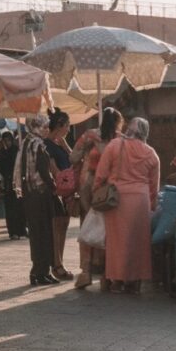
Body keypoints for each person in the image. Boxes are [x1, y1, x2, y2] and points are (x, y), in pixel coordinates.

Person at [93, 116, 162, 292]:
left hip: (117, 198)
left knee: (117, 241)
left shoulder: (115, 146)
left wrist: (96, 190)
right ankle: (135, 281)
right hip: (140, 200)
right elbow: (154, 186)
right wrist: (152, 206)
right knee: (138, 242)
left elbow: (101, 173)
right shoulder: (151, 154)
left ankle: (117, 280)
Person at [74, 105, 122, 290]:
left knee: (88, 227)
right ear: (118, 123)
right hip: (110, 189)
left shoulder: (89, 136)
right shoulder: (121, 140)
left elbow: (72, 157)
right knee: (108, 229)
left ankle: (85, 271)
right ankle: (105, 275)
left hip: (88, 186)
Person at [15, 114, 60, 286]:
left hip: (29, 195)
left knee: (36, 234)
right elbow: (43, 171)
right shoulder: (38, 144)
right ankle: (42, 272)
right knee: (44, 233)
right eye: (45, 126)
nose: (47, 130)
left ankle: (38, 271)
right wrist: (55, 186)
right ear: (37, 126)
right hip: (40, 194)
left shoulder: (26, 142)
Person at [43, 109, 75, 281]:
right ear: (61, 124)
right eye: (68, 125)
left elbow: (74, 159)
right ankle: (57, 265)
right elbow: (53, 170)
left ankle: (59, 263)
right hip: (57, 192)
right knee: (57, 229)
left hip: (66, 192)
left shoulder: (60, 144)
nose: (69, 129)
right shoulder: (46, 146)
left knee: (63, 227)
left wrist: (65, 146)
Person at [0, 129, 25, 238]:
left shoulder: (16, 150)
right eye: (4, 141)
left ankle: (21, 230)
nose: (6, 143)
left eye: (8, 140)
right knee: (10, 208)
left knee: (19, 207)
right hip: (7, 184)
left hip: (17, 182)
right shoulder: (2, 153)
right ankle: (13, 232)